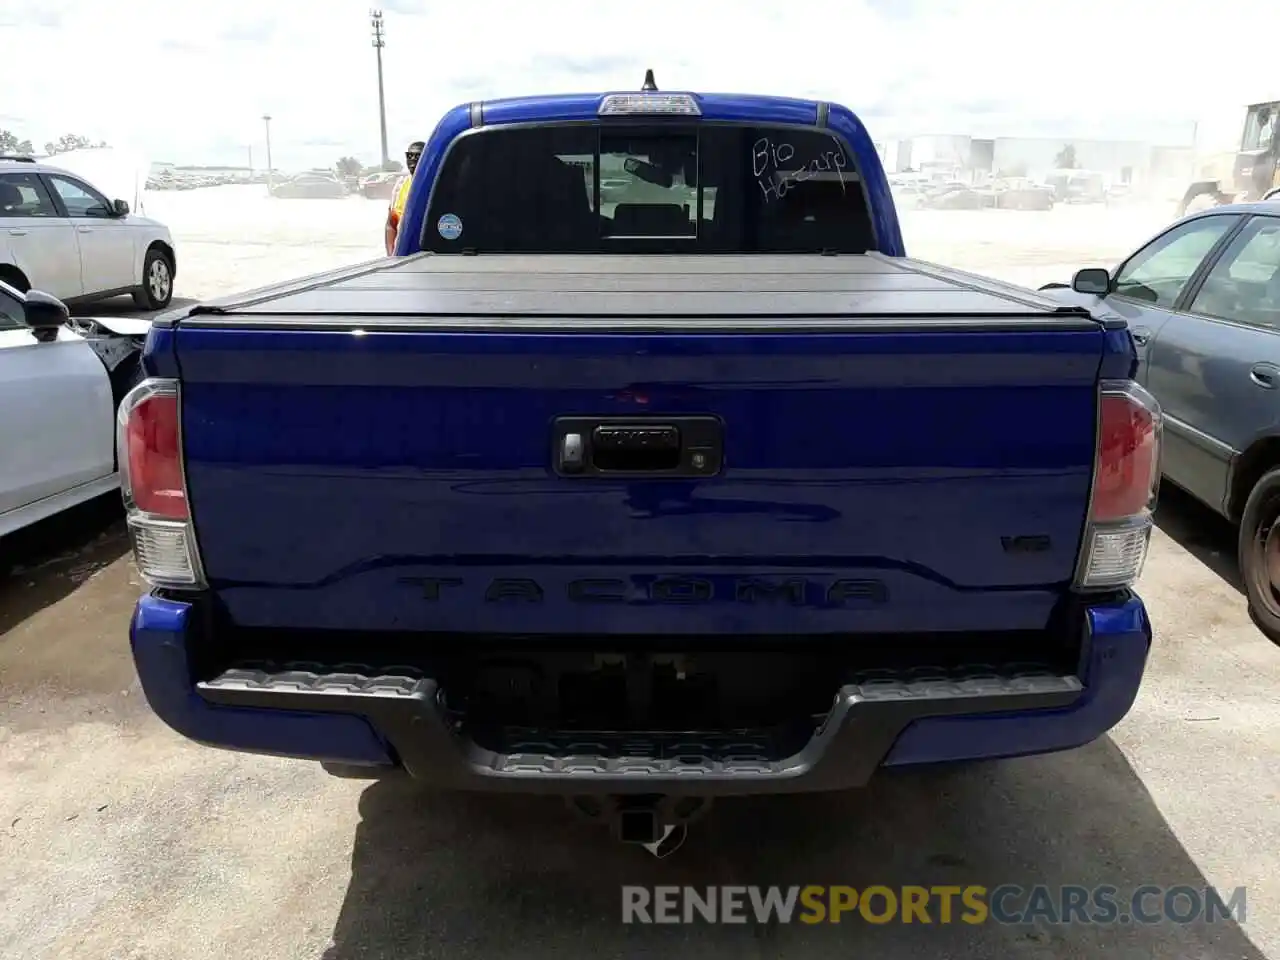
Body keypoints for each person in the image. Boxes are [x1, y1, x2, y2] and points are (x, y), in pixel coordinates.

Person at [385, 141, 424, 254]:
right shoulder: (400, 186)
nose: (413, 159)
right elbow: (391, 224)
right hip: (402, 256)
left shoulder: (435, 185)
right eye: (409, 155)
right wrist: (391, 255)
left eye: (418, 156)